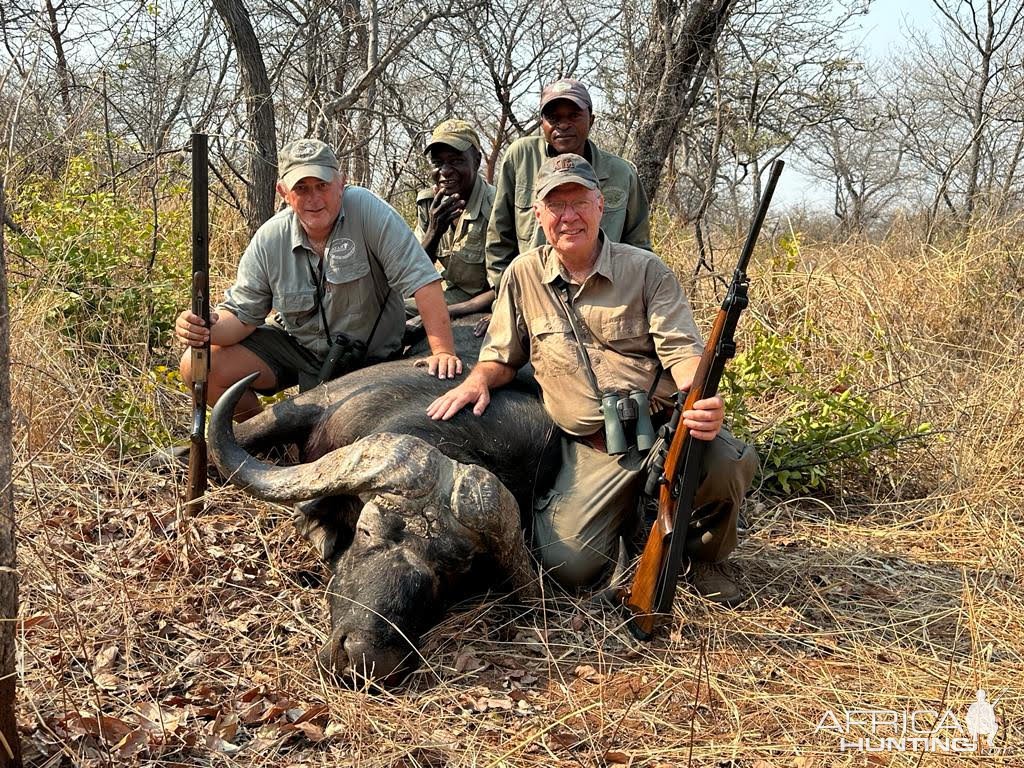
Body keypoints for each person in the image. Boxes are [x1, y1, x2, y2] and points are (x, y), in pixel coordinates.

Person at [428, 154, 757, 604]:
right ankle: (634, 519)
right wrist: (476, 380)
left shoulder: (645, 269)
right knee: (566, 566)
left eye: (579, 201)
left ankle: (703, 558)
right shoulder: (523, 275)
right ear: (538, 215)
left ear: (600, 205)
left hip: (660, 428)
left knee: (723, 461)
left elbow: (684, 353)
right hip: (591, 446)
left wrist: (698, 401)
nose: (569, 216)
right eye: (556, 205)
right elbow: (501, 357)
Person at [177, 138, 463, 421]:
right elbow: (242, 318)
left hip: (369, 360)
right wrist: (202, 327)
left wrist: (443, 351)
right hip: (299, 349)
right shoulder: (270, 238)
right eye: (301, 188)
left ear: (341, 183)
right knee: (198, 365)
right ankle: (263, 440)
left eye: (322, 186)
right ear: (283, 192)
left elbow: (423, 281)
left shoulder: (367, 210)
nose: (313, 198)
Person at [484, 77, 652, 293]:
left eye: (573, 116)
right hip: (534, 292)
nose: (563, 125)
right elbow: (499, 236)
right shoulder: (521, 157)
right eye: (553, 118)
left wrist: (627, 299)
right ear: (541, 123)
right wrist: (507, 294)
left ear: (591, 120)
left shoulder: (621, 173)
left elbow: (638, 246)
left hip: (603, 293)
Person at [412, 119, 496, 320]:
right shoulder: (430, 204)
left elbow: (507, 285)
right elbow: (413, 275)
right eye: (438, 163)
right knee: (386, 312)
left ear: (476, 161)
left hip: (484, 305)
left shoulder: (495, 207)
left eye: (456, 161)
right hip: (448, 296)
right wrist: (434, 231)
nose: (445, 171)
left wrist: (444, 313)